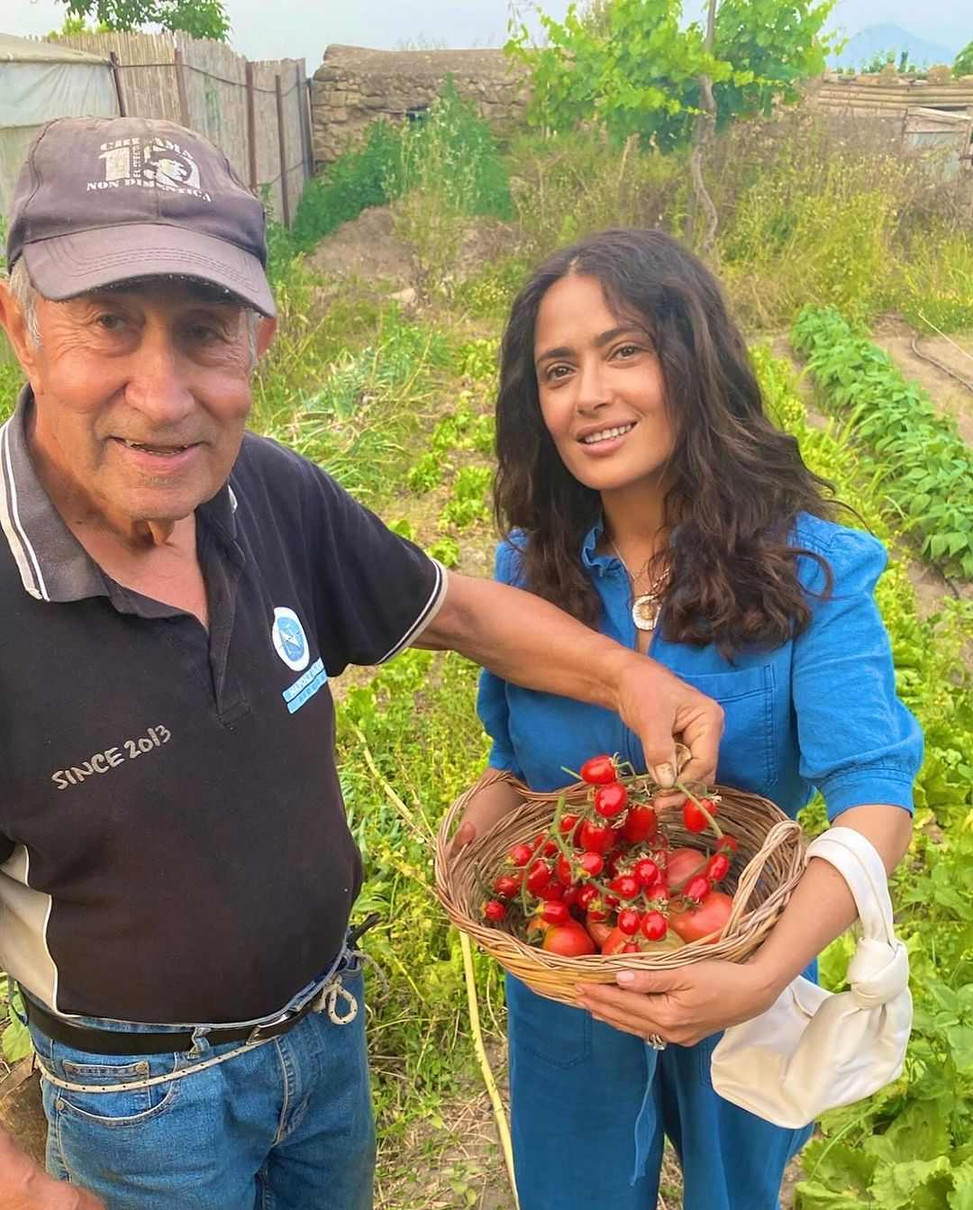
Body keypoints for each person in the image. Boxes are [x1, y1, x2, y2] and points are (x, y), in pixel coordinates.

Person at [0, 122, 725, 1210]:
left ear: (259, 345)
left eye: (203, 332)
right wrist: (24, 1189)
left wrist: (627, 679)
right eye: (108, 324)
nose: (161, 395)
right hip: (142, 1103)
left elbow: (457, 610)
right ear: (20, 328)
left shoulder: (269, 494)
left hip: (326, 1038)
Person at [456, 229, 922, 1210]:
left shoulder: (809, 571)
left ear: (691, 359)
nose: (589, 394)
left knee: (735, 1190)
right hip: (573, 979)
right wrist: (492, 799)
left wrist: (760, 980)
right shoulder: (524, 574)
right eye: (557, 369)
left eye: (624, 350)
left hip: (743, 961)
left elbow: (875, 801)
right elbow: (515, 759)